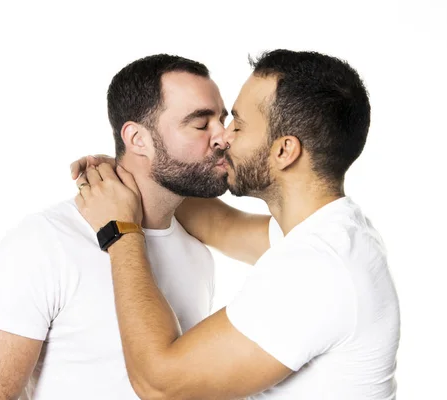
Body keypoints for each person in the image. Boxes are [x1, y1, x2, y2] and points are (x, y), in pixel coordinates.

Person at [73, 49, 401, 399]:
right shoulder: (333, 232)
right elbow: (220, 226)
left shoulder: (318, 269)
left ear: (284, 151)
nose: (223, 137)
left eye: (238, 125)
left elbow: (160, 385)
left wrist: (120, 232)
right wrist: (138, 167)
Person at [0, 54, 231, 399]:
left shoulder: (198, 254)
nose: (223, 136)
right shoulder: (42, 245)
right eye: (201, 125)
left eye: (223, 119)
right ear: (138, 139)